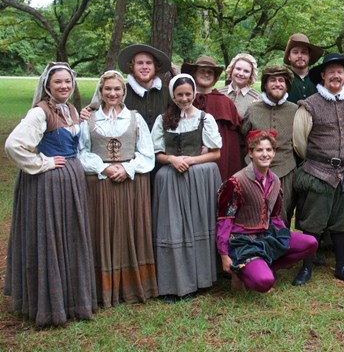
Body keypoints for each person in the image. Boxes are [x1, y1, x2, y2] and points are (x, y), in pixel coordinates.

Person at [4, 62, 97, 326]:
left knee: (70, 236)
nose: (64, 86)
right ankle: (50, 303)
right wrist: (42, 163)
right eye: (58, 82)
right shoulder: (40, 112)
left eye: (68, 81)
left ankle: (71, 299)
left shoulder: (69, 109)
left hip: (70, 181)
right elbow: (14, 145)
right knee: (50, 237)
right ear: (48, 85)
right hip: (49, 184)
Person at [78, 70, 158, 307]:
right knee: (101, 230)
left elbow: (147, 153)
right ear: (101, 92)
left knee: (130, 230)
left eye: (117, 89)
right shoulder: (89, 119)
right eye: (108, 89)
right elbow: (81, 151)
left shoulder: (135, 118)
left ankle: (133, 285)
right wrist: (103, 168)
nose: (112, 93)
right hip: (99, 184)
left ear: (124, 92)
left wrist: (127, 168)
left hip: (131, 183)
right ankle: (102, 288)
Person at [216, 130, 319, 292]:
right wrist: (223, 254)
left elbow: (275, 215)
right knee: (264, 283)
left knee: (310, 243)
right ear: (250, 153)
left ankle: (266, 266)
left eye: (269, 150)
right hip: (243, 241)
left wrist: (284, 236)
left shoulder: (275, 181)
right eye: (259, 150)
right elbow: (225, 220)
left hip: (267, 236)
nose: (265, 154)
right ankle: (239, 272)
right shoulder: (237, 182)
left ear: (274, 152)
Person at [151, 74, 223, 302]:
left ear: (194, 95)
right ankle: (174, 283)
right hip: (171, 178)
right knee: (173, 229)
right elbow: (156, 153)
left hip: (200, 178)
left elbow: (216, 153)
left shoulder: (205, 118)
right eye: (180, 94)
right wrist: (172, 159)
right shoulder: (163, 120)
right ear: (173, 95)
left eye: (188, 94)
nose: (184, 98)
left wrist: (190, 161)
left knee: (197, 226)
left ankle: (199, 280)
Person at [292, 53, 344, 285]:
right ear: (322, 75)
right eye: (330, 71)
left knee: (342, 223)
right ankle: (306, 267)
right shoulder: (309, 105)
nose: (335, 75)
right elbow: (300, 142)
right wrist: (320, 161)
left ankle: (341, 266)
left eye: (339, 72)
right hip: (319, 172)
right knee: (313, 223)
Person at [242, 65, 298, 226]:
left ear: (287, 85)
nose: (277, 84)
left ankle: (281, 246)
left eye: (281, 80)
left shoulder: (295, 110)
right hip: (255, 171)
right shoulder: (253, 109)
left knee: (283, 212)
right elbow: (243, 135)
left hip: (286, 169)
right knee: (255, 212)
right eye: (272, 80)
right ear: (265, 84)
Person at [183, 56, 242, 181]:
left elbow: (233, 143)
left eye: (210, 72)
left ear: (215, 77)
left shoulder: (225, 103)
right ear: (194, 74)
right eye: (202, 71)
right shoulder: (183, 100)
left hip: (219, 164)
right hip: (186, 163)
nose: (206, 74)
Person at [118, 44, 171, 131]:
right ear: (132, 66)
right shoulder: (122, 93)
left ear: (155, 66)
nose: (145, 67)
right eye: (140, 63)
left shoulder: (167, 92)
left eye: (149, 63)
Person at [216, 53, 260, 119]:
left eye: (246, 71)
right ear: (232, 70)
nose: (241, 73)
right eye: (238, 69)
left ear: (251, 75)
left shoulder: (257, 98)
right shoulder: (218, 93)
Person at [284, 33, 324, 103]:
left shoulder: (319, 79)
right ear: (289, 57)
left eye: (304, 52)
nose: (300, 56)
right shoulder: (283, 79)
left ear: (309, 56)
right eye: (295, 52)